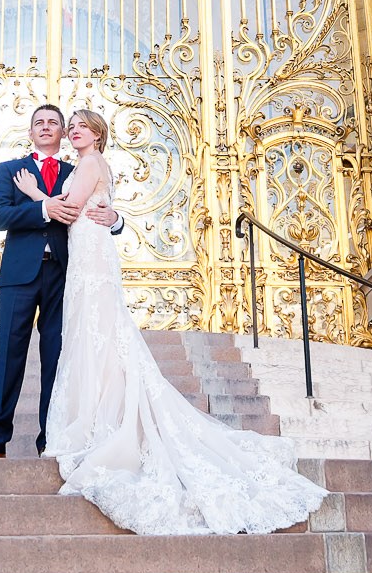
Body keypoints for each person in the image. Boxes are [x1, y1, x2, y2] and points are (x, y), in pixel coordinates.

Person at [30, 108, 327, 534]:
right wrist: (106, 214)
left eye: (81, 126)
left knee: (98, 335)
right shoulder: (89, 164)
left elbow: (71, 208)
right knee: (96, 337)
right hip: (87, 259)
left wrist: (34, 195)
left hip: (91, 260)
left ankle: (102, 419)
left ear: (96, 134)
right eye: (71, 126)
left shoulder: (90, 162)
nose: (74, 131)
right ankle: (101, 412)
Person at [0, 104, 123, 458]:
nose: (47, 126)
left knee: (57, 358)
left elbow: (95, 208)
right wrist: (41, 209)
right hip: (18, 276)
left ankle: (49, 440)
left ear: (63, 132)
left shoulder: (77, 167)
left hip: (63, 275)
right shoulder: (11, 170)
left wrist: (116, 218)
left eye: (55, 122)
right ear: (31, 132)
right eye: (40, 122)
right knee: (9, 355)